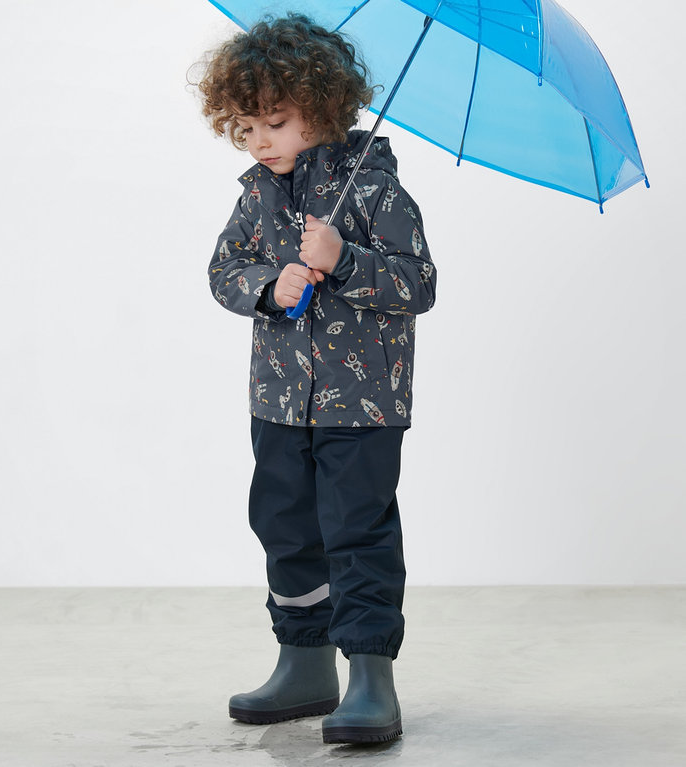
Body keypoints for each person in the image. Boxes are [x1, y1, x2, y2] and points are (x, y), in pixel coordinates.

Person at [197, 13, 436, 745]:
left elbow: (417, 283)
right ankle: (304, 658)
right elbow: (222, 271)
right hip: (277, 399)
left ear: (324, 108)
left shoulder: (376, 192)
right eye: (245, 127)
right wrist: (271, 286)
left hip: (360, 403)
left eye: (275, 121)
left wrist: (344, 259)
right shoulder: (256, 195)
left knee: (356, 529)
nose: (259, 139)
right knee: (284, 522)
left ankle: (369, 672)